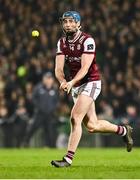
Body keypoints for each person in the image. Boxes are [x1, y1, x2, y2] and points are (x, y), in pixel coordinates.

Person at [51, 11, 133, 167]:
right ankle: (123, 130)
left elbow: (85, 67)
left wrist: (71, 81)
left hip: (91, 82)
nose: (67, 24)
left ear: (78, 24)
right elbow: (58, 69)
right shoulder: (61, 42)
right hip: (76, 85)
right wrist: (62, 81)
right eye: (65, 21)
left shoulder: (87, 40)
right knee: (92, 126)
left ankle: (67, 159)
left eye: (71, 21)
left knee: (75, 117)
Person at [24, 72, 59, 147]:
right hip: (39, 113)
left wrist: (52, 109)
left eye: (50, 78)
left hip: (49, 114)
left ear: (52, 80)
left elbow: (56, 101)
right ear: (44, 79)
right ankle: (25, 142)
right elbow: (33, 99)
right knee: (32, 128)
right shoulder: (38, 87)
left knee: (49, 131)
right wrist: (39, 107)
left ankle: (49, 146)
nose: (48, 80)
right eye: (47, 78)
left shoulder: (54, 89)